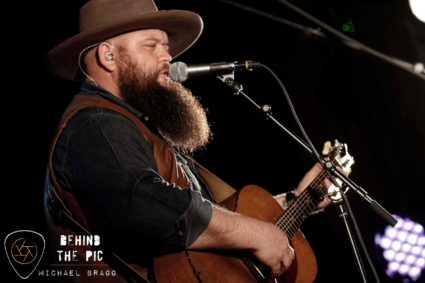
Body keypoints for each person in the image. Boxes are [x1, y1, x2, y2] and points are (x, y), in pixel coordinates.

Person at [44, 0, 331, 282]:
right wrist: (256, 233)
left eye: (166, 47)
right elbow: (147, 206)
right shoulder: (95, 123)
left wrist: (298, 199)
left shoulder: (137, 127)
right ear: (108, 56)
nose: (167, 57)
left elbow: (208, 225)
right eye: (151, 45)